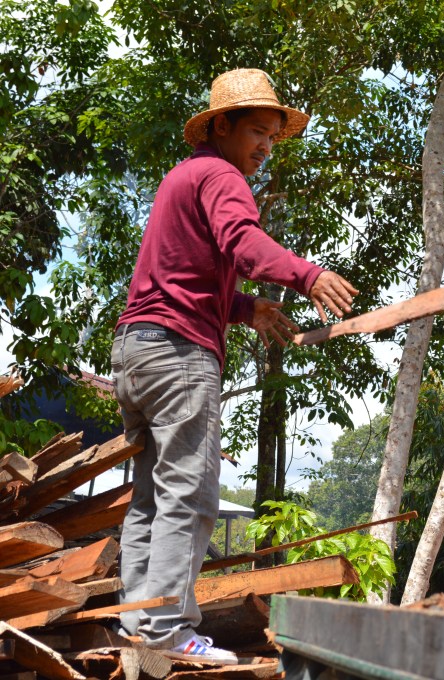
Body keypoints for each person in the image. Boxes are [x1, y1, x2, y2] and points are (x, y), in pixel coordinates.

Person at [110, 68, 357, 664]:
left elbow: (181, 273)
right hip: (179, 354)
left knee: (151, 496)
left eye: (274, 137)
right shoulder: (222, 176)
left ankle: (137, 622)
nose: (266, 148)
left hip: (136, 349)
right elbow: (243, 244)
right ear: (221, 126)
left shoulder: (183, 178)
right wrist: (308, 274)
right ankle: (167, 630)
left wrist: (244, 309)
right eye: (257, 131)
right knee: (190, 494)